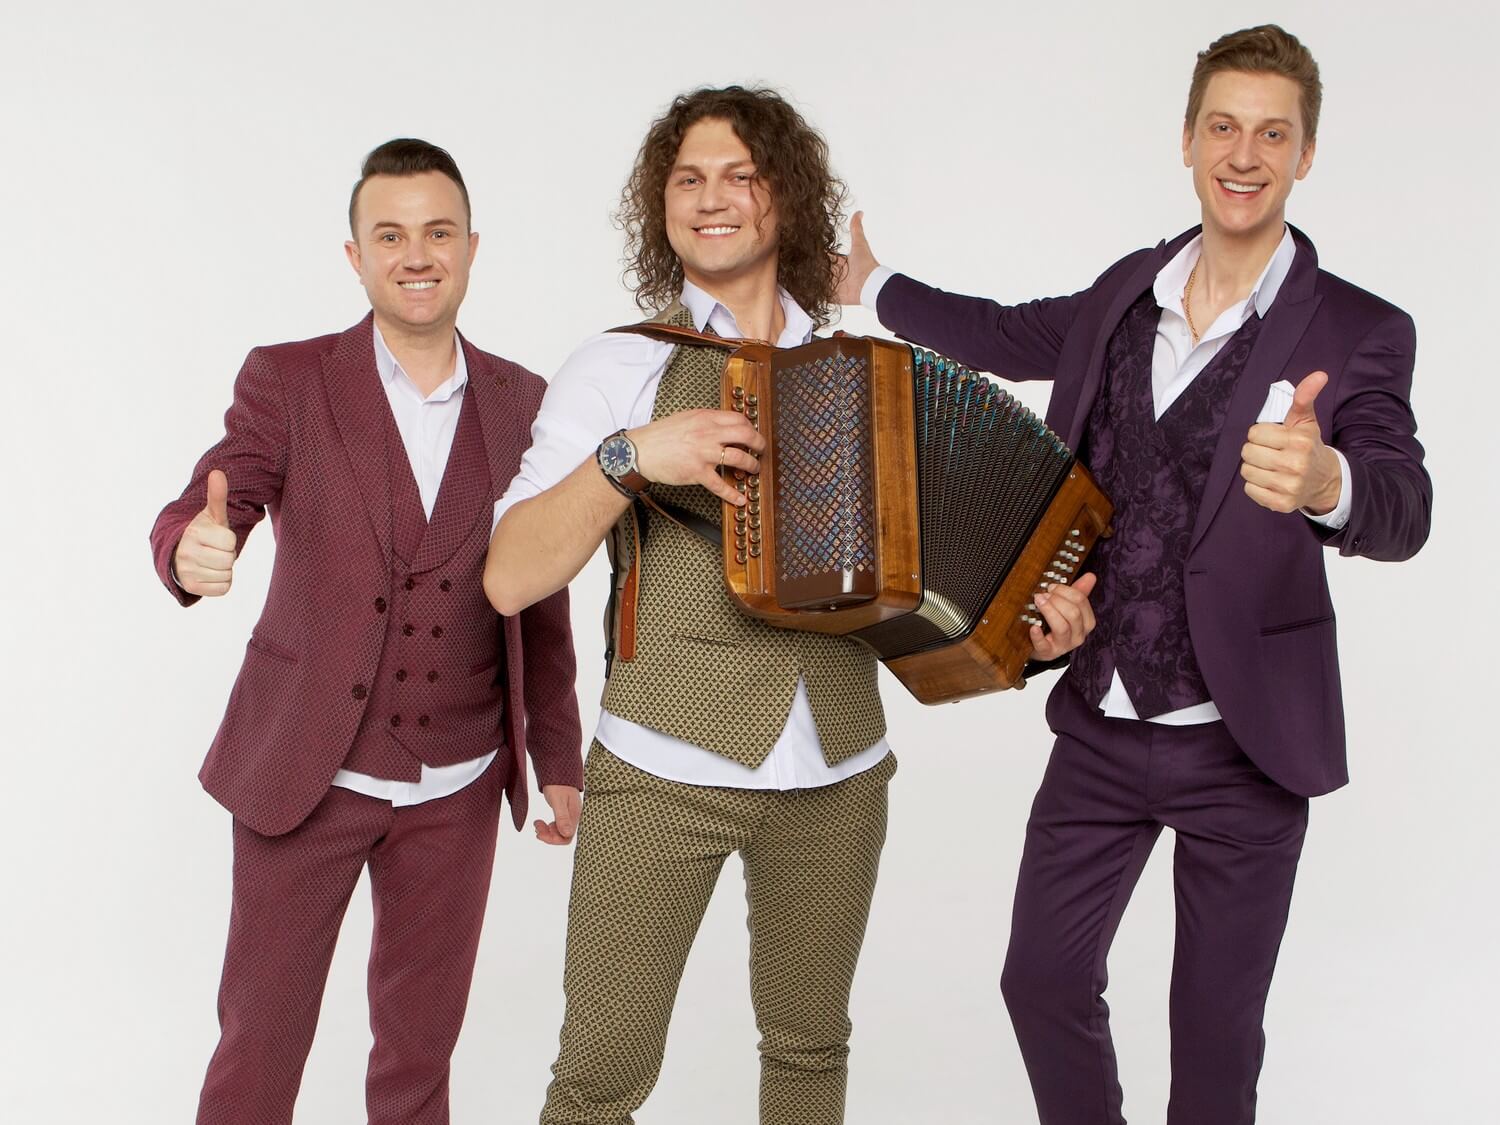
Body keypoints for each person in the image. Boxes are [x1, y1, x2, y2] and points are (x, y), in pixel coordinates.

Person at [840, 24, 1430, 1125]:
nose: (1243, 155)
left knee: (1214, 1041)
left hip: (1245, 745)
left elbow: (1406, 507)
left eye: (1272, 134)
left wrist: (1328, 480)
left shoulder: (1358, 330)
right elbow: (1005, 332)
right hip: (1102, 726)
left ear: (1306, 154)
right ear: (1188, 139)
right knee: (1040, 982)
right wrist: (873, 286)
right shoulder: (1126, 294)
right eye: (1223, 127)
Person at [485, 85, 1095, 1125]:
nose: (711, 198)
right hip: (661, 766)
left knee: (811, 1051)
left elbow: (928, 580)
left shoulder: (867, 374)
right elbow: (508, 576)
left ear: (787, 199)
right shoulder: (621, 364)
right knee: (597, 1080)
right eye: (688, 179)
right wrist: (631, 456)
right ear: (660, 207)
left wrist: (1033, 641)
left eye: (741, 175)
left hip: (840, 770)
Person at [149, 138, 583, 1125]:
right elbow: (217, 494)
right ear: (355, 255)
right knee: (259, 1045)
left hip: (458, 784)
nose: (415, 255)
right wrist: (189, 548)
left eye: (437, 233)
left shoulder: (525, 403)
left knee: (418, 1060)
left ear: (471, 248)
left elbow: (541, 592)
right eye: (389, 235)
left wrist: (555, 752)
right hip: (304, 771)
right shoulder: (289, 379)